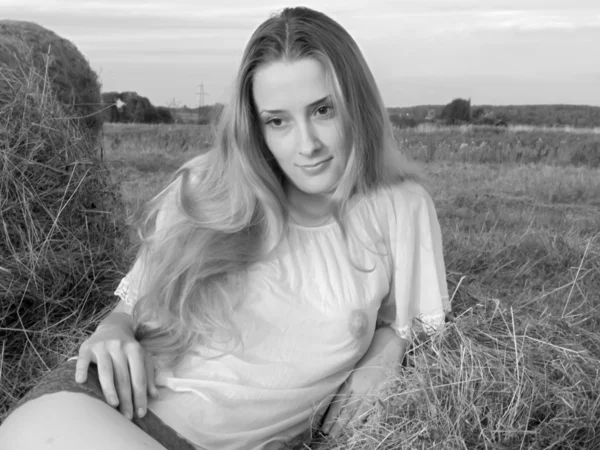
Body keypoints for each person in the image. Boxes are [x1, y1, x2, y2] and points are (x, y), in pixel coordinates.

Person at [0, 6, 450, 450]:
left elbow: (421, 326)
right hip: (100, 409)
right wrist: (112, 330)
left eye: (324, 110)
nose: (307, 145)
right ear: (255, 127)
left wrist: (386, 349)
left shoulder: (401, 207)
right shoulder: (208, 187)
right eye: (278, 121)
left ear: (358, 104)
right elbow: (135, 300)